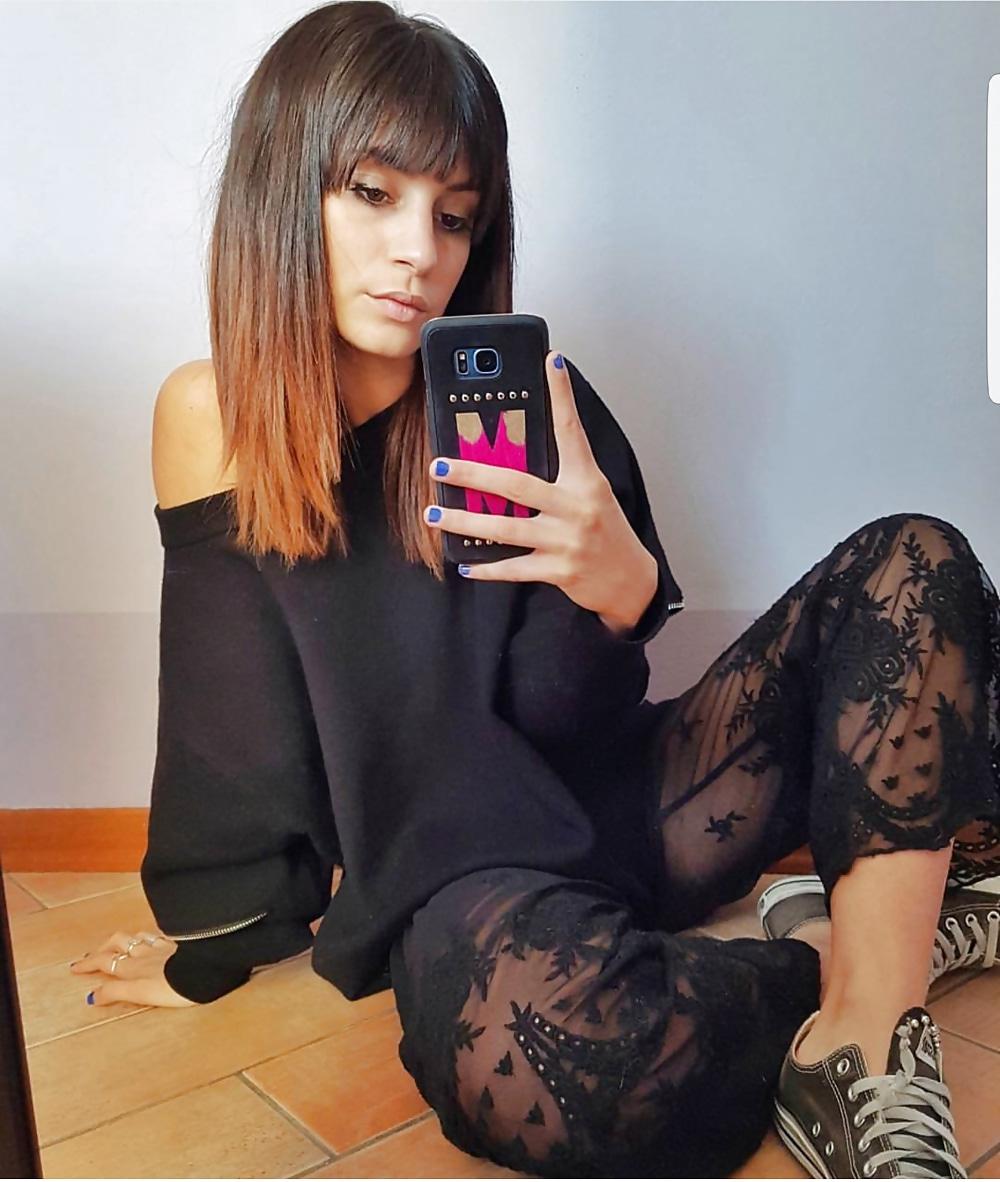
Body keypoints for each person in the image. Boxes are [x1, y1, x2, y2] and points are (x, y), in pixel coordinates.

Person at [69, 2, 1000, 1176]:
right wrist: (214, 939)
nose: (419, 251)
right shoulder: (210, 421)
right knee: (542, 1062)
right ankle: (855, 945)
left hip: (642, 804)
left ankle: (867, 1027)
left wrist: (619, 595)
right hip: (459, 869)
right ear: (281, 184)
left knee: (916, 558)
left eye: (454, 215)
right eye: (372, 193)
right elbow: (229, 721)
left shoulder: (531, 401)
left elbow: (568, 720)